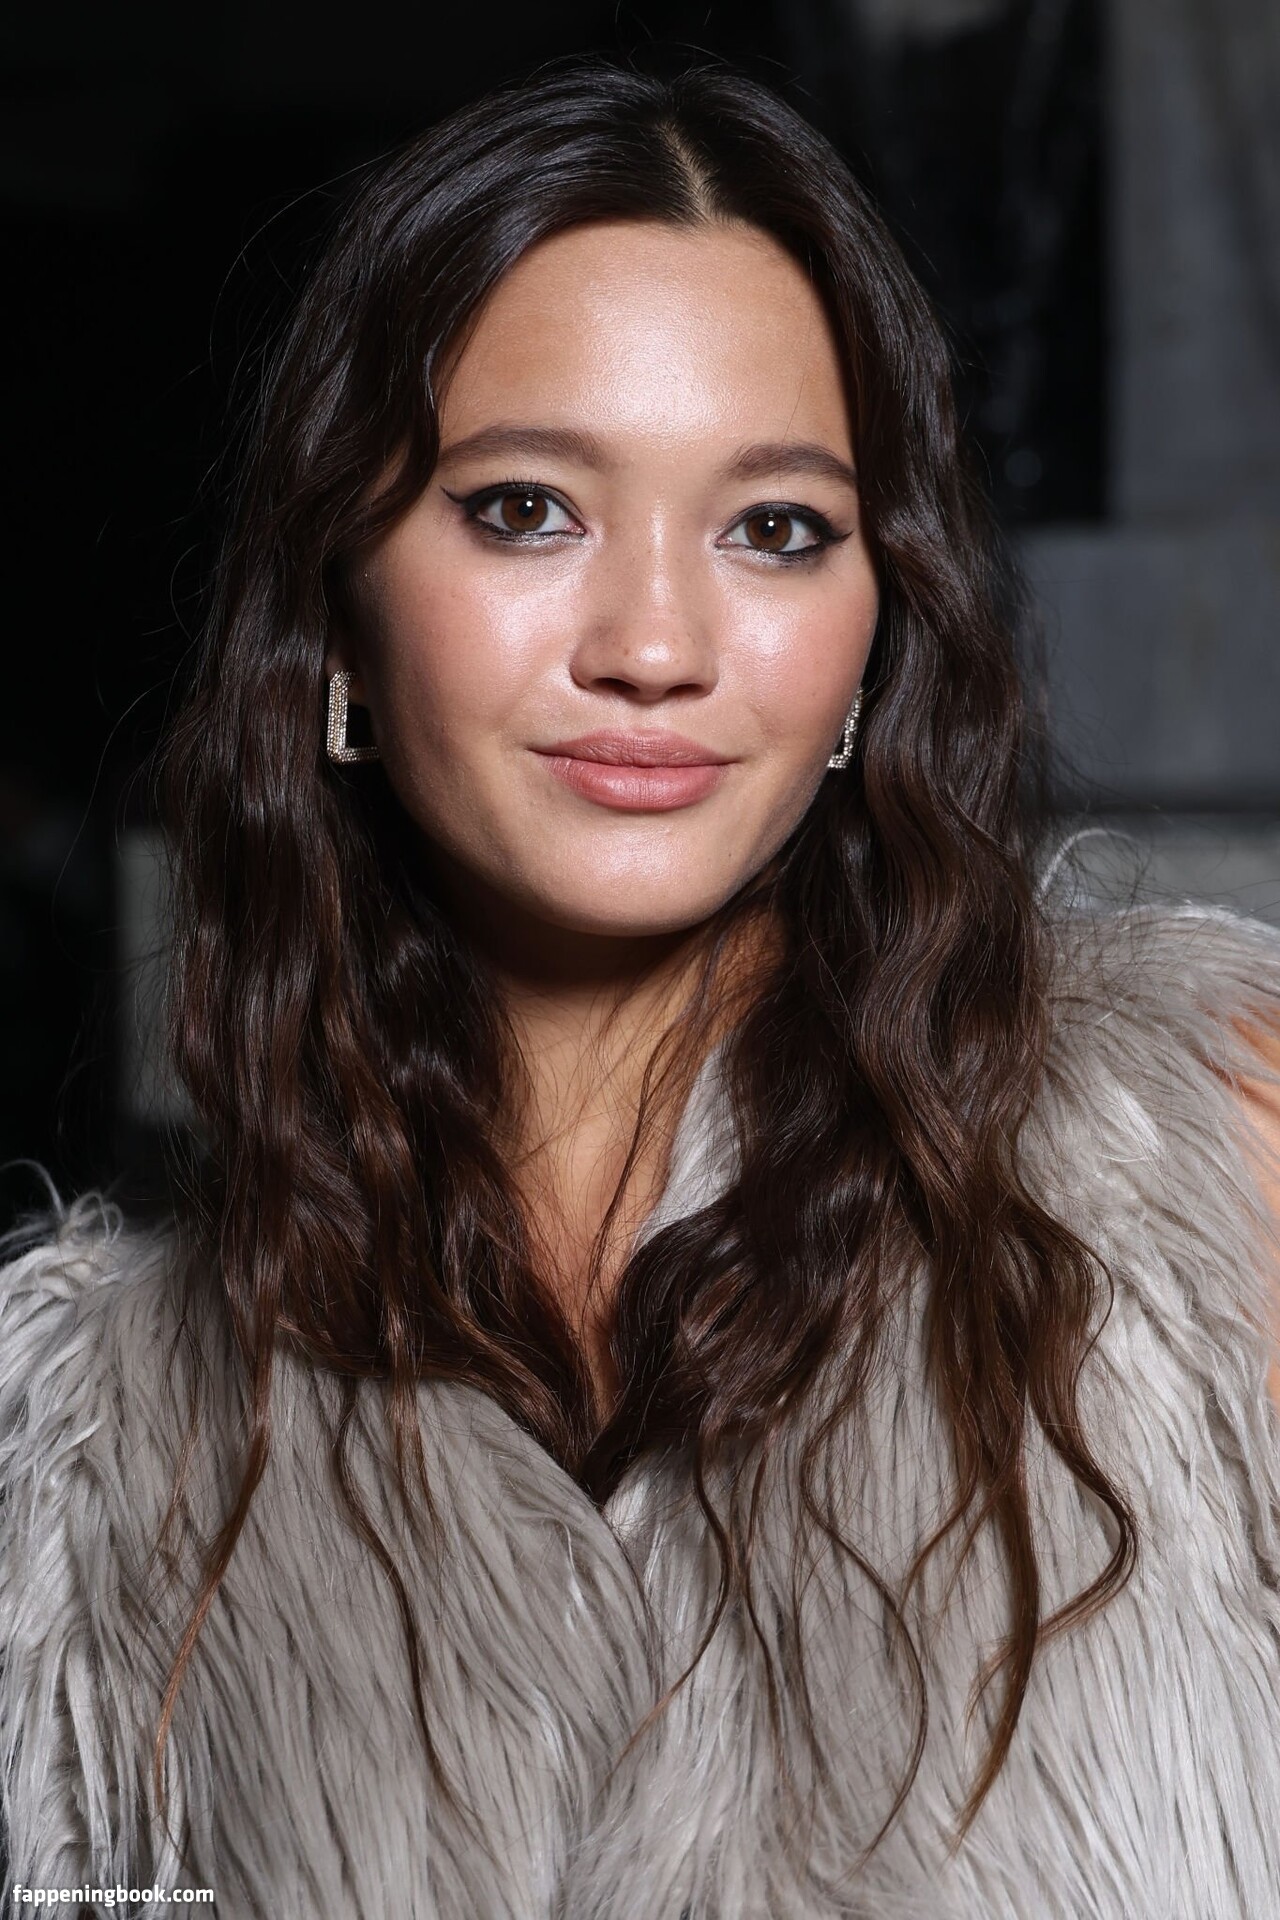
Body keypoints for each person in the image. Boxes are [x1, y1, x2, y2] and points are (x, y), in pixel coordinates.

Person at [3, 56, 1280, 1920]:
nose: (657, 647)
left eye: (776, 527)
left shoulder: (1209, 1173)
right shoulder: (84, 1467)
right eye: (529, 509)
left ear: (877, 636)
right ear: (341, 604)